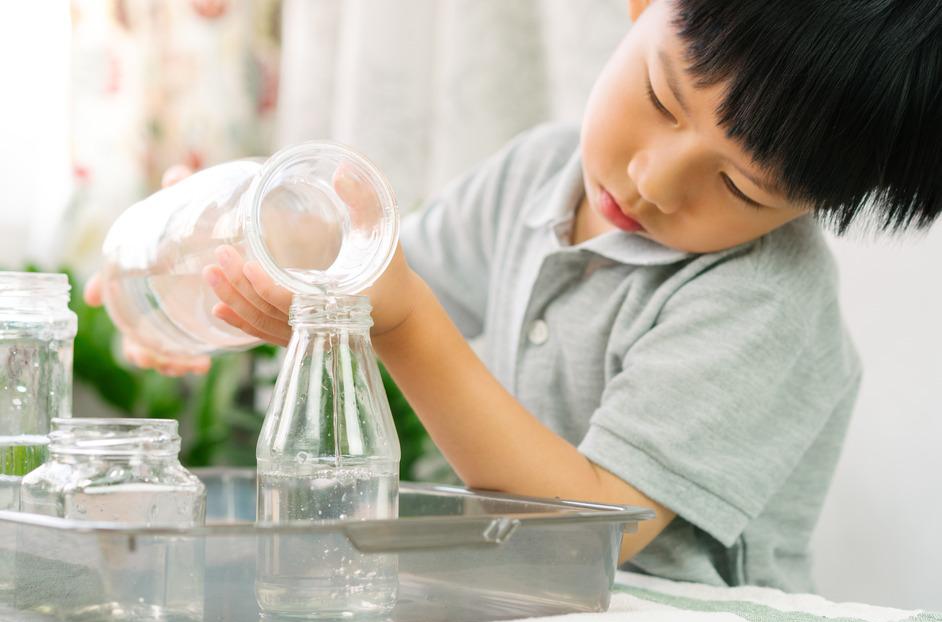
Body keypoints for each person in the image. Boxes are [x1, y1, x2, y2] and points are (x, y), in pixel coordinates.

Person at [85, 0, 942, 591]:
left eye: (741, 188)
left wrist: (408, 323)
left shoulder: (765, 302)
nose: (651, 181)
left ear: (813, 205)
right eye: (659, 98)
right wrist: (222, 256)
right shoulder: (539, 173)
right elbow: (373, 267)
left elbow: (591, 530)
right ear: (641, 8)